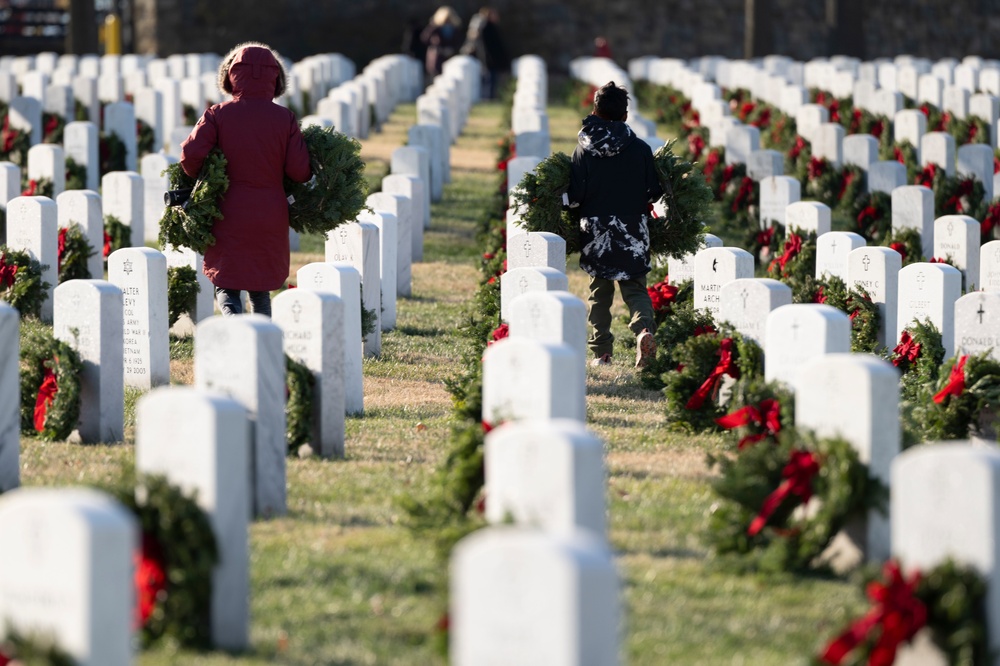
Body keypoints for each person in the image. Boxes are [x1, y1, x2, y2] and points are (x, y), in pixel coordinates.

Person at [180, 42, 311, 317]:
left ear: (230, 76)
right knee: (260, 288)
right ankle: (262, 343)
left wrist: (203, 177)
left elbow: (190, 154)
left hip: (228, 210)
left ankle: (235, 336)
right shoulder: (285, 118)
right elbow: (299, 171)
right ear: (276, 79)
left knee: (227, 285)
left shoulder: (217, 115)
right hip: (270, 211)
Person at [566, 82, 663, 368]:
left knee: (600, 292)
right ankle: (644, 331)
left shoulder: (582, 151)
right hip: (633, 228)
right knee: (634, 287)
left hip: (596, 231)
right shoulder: (641, 149)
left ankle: (602, 353)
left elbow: (574, 197)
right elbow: (653, 192)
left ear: (594, 110)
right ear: (625, 115)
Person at [461, 7, 509, 100]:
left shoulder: (490, 27)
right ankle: (488, 99)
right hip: (488, 60)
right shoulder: (487, 28)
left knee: (490, 82)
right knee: (488, 82)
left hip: (489, 60)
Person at [421, 6, 463, 79]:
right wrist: (433, 26)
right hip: (437, 59)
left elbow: (458, 42)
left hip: (450, 58)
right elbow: (425, 39)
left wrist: (452, 50)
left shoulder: (455, 29)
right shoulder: (435, 28)